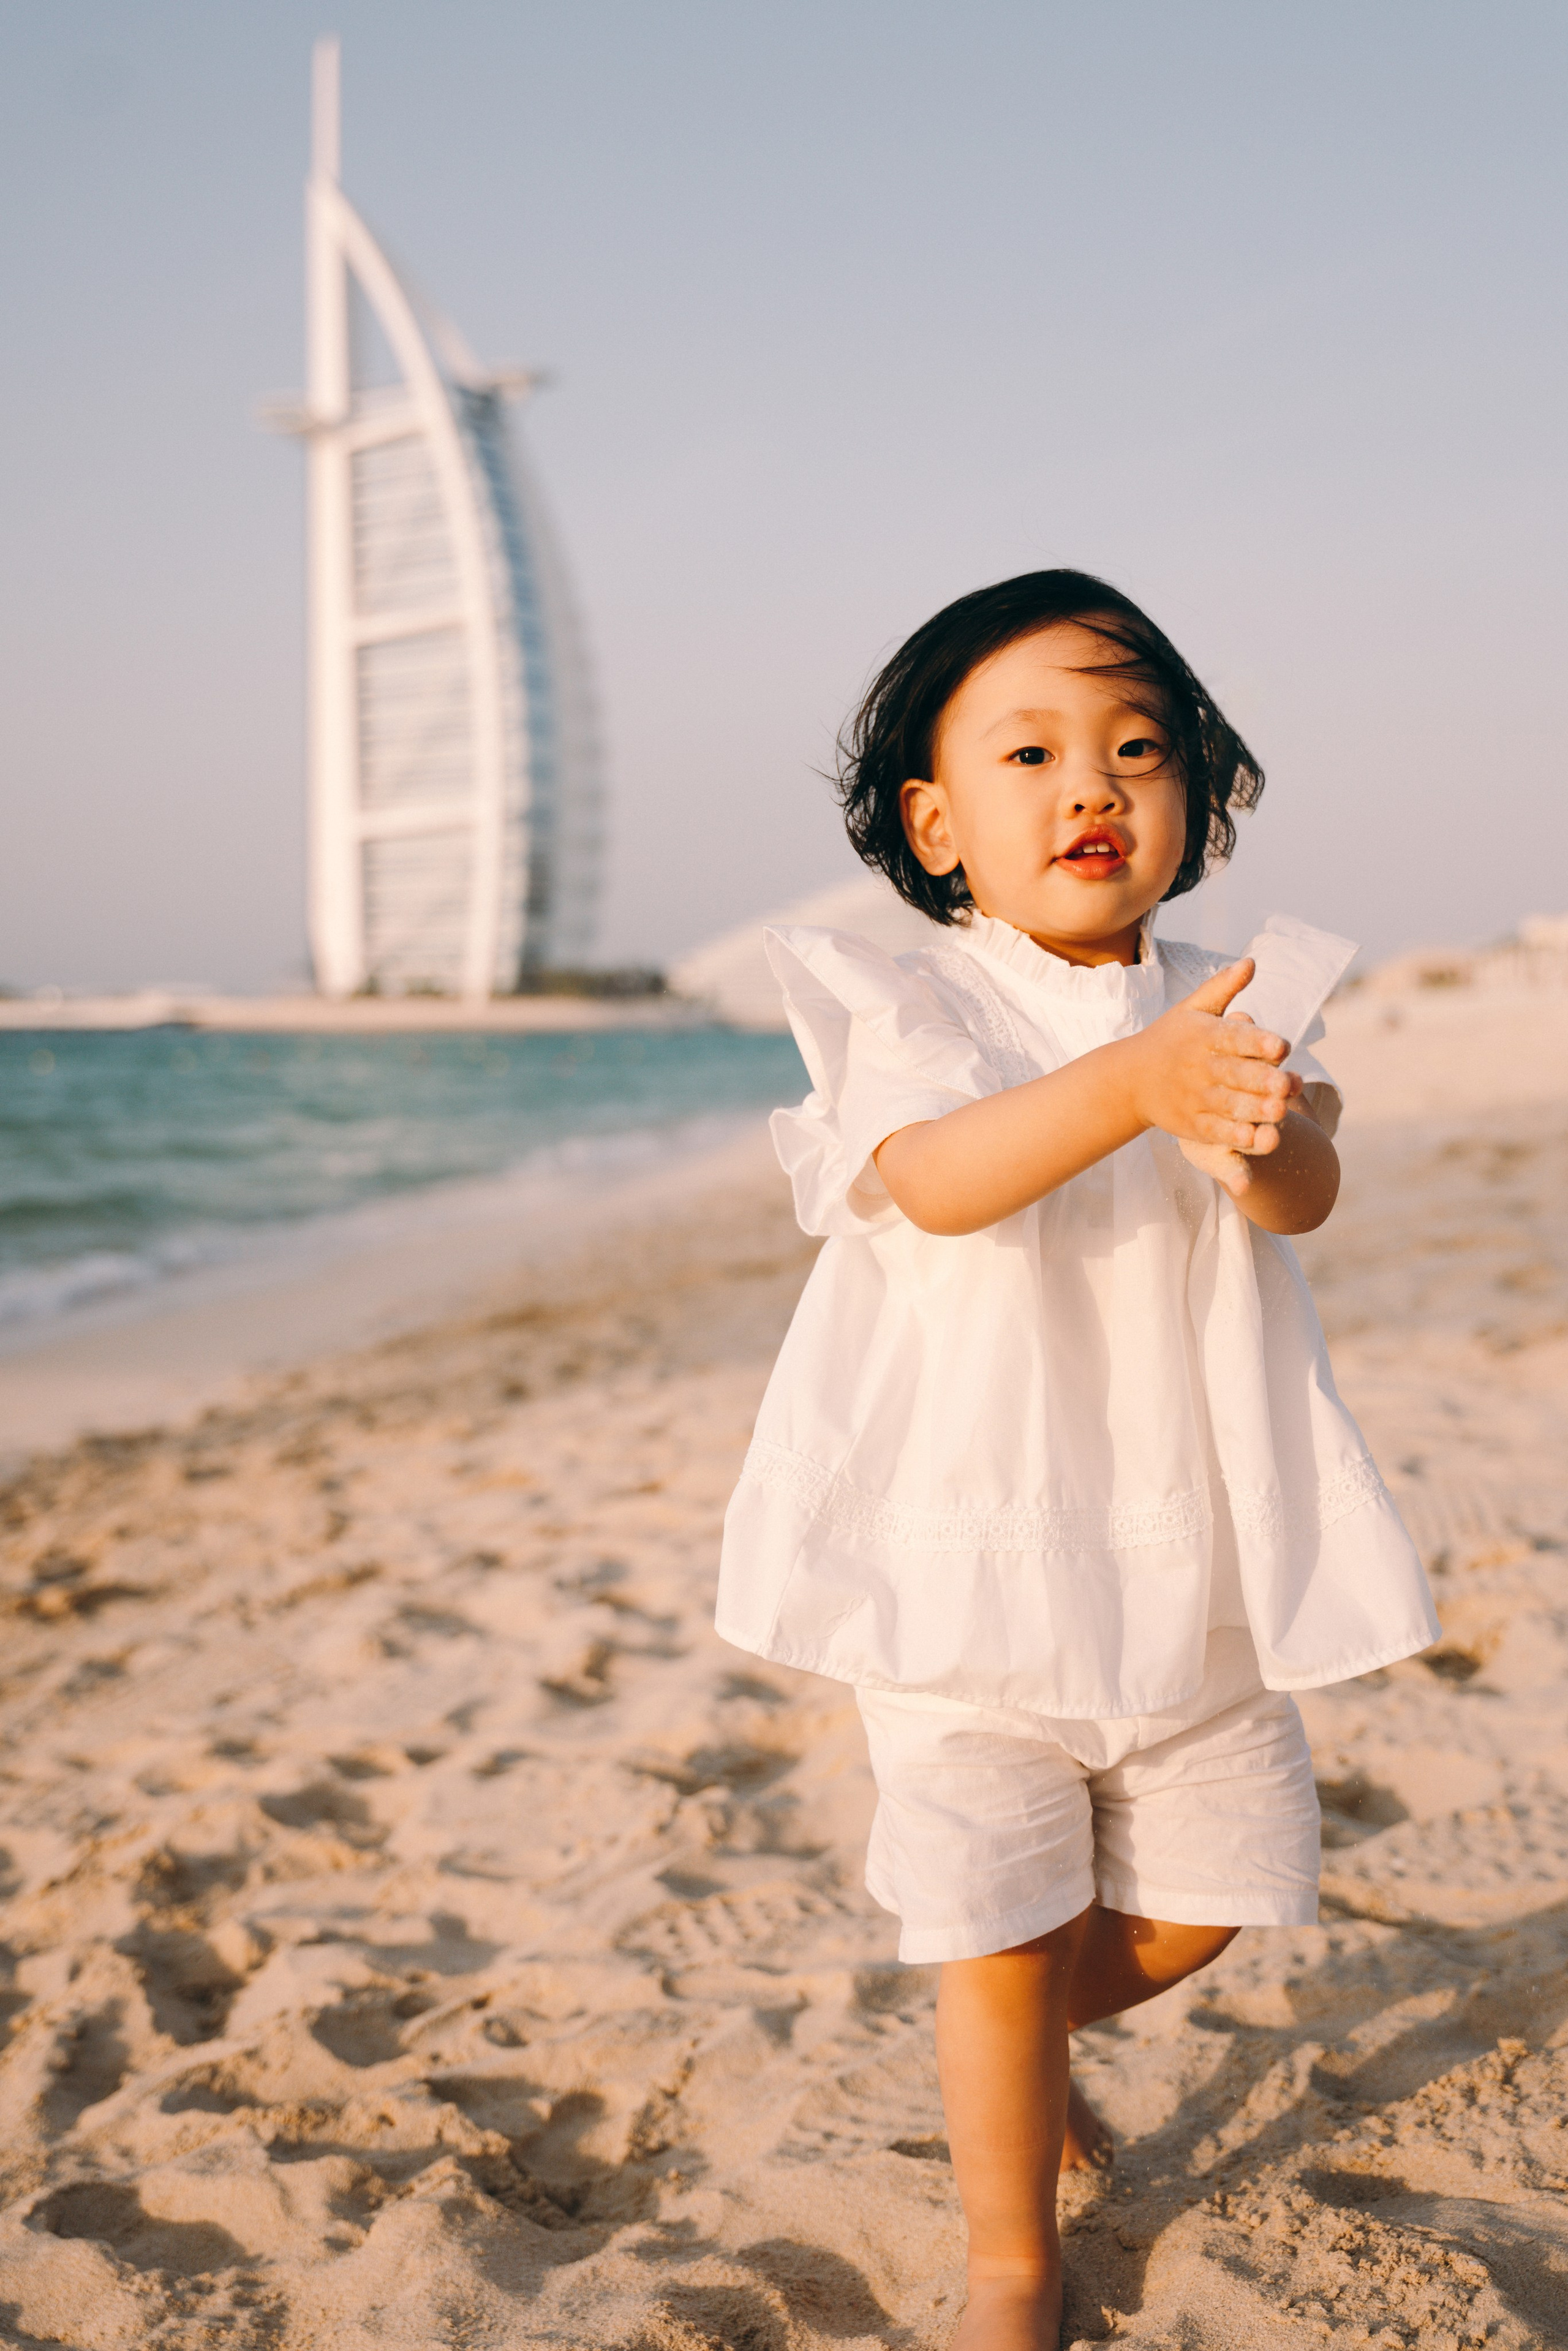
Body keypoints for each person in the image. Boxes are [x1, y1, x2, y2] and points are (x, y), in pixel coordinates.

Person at [714, 570, 1438, 2349]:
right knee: (1002, 1917)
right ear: (937, 825)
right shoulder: (915, 1006)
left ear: (1198, 797)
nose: (1092, 786)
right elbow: (942, 1181)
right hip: (967, 1555)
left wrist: (1253, 1130)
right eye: (1030, 754)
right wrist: (1132, 1088)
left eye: (1138, 748)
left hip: (1190, 1552)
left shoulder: (1231, 999)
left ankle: (1009, 2043)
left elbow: (1305, 1195)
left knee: (1207, 1906)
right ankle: (1013, 2257)